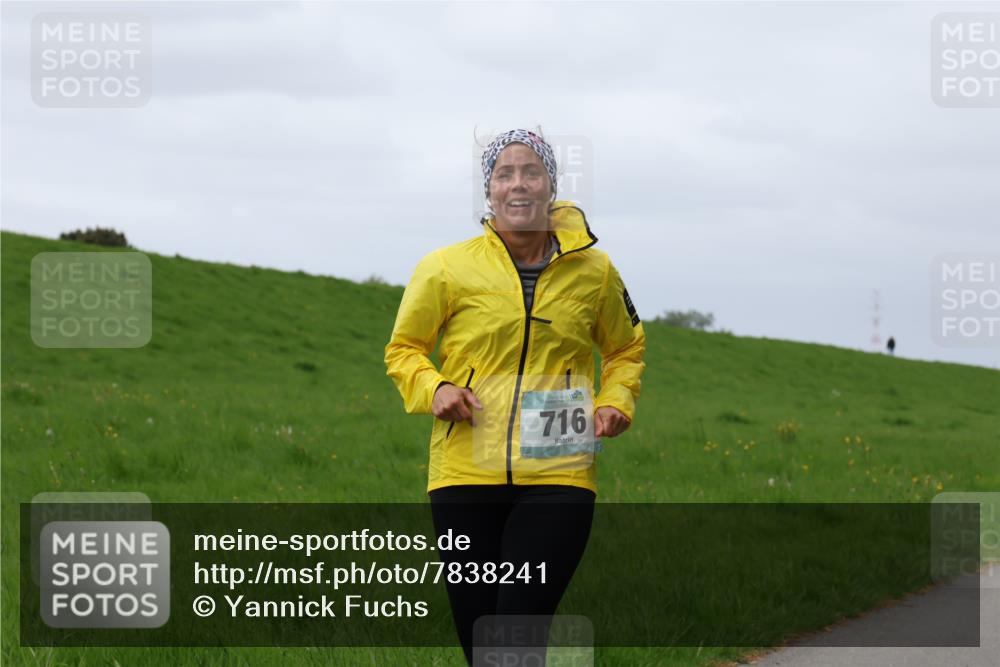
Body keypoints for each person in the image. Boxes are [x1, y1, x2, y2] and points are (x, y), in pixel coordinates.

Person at [384, 129, 646, 665]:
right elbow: (403, 349)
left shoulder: (596, 272)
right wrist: (436, 388)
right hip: (464, 468)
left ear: (552, 184)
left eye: (531, 172)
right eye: (504, 174)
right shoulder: (445, 267)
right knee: (480, 633)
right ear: (489, 191)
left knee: (520, 622)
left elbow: (626, 348)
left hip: (560, 468)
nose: (518, 184)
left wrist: (615, 399)